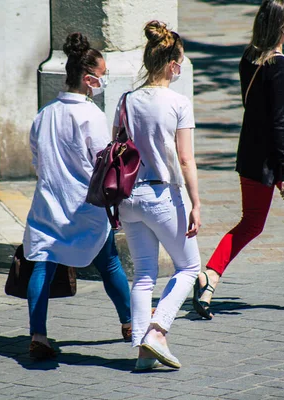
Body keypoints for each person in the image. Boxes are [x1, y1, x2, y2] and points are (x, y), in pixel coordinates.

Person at [193, 0, 284, 320]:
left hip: (252, 154)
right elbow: (280, 121)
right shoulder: (281, 67)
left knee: (251, 223)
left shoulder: (249, 58)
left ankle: (210, 277)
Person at [23, 32, 132, 360]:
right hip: (85, 207)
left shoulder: (44, 114)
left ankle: (38, 335)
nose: (104, 80)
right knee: (109, 261)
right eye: (102, 75)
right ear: (88, 79)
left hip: (48, 204)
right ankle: (131, 323)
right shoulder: (91, 116)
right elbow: (105, 164)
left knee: (42, 263)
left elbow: (35, 159)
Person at [115, 20, 201, 371]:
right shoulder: (178, 102)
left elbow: (117, 149)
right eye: (180, 62)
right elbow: (185, 159)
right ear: (172, 64)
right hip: (162, 195)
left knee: (144, 275)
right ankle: (158, 330)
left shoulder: (126, 100)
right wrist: (196, 203)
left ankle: (142, 353)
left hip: (128, 196)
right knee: (190, 267)